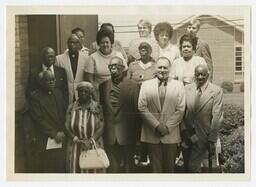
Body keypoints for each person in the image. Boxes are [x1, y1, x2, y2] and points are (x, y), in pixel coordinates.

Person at [138, 57, 185, 173]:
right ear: (155, 68)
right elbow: (142, 107)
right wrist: (157, 126)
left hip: (170, 134)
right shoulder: (146, 85)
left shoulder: (178, 85)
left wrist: (167, 127)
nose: (162, 70)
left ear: (170, 69)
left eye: (165, 67)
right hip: (152, 133)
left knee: (170, 169)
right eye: (160, 67)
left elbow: (181, 109)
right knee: (155, 170)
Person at [99, 56, 140, 173]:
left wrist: (137, 136)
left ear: (122, 68)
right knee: (113, 169)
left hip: (128, 134)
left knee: (128, 169)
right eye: (111, 66)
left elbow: (137, 113)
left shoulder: (133, 86)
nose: (113, 68)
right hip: (109, 134)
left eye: (116, 65)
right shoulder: (102, 87)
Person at [181, 64, 223, 173]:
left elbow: (217, 116)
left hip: (204, 136)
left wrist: (212, 139)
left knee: (193, 167)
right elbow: (181, 111)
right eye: (197, 74)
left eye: (203, 75)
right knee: (187, 166)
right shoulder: (187, 89)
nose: (200, 77)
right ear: (194, 75)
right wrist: (184, 130)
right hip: (187, 135)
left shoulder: (216, 91)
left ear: (208, 75)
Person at [29, 71, 68, 173]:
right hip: (46, 137)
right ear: (42, 82)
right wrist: (54, 134)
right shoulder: (35, 97)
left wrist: (63, 131)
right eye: (48, 80)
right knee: (48, 167)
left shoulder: (58, 93)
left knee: (60, 166)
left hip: (61, 135)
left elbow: (65, 113)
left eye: (53, 79)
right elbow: (38, 119)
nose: (51, 82)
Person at [65, 81, 104, 173]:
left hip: (93, 145)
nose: (83, 93)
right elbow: (66, 125)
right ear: (77, 93)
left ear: (90, 93)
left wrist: (91, 141)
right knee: (75, 170)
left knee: (94, 170)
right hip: (75, 145)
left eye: (86, 91)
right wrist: (75, 139)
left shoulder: (97, 107)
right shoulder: (71, 107)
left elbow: (102, 126)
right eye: (81, 91)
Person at [84, 29, 128, 100]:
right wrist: (95, 98)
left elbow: (125, 74)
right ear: (98, 44)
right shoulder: (92, 58)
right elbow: (89, 80)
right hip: (99, 94)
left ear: (111, 43)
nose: (105, 45)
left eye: (107, 42)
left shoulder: (118, 55)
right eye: (102, 42)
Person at [55, 34, 89, 104]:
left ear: (79, 44)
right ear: (67, 44)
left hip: (81, 94)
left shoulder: (86, 58)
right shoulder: (59, 59)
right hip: (66, 95)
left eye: (75, 42)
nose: (72, 44)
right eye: (70, 42)